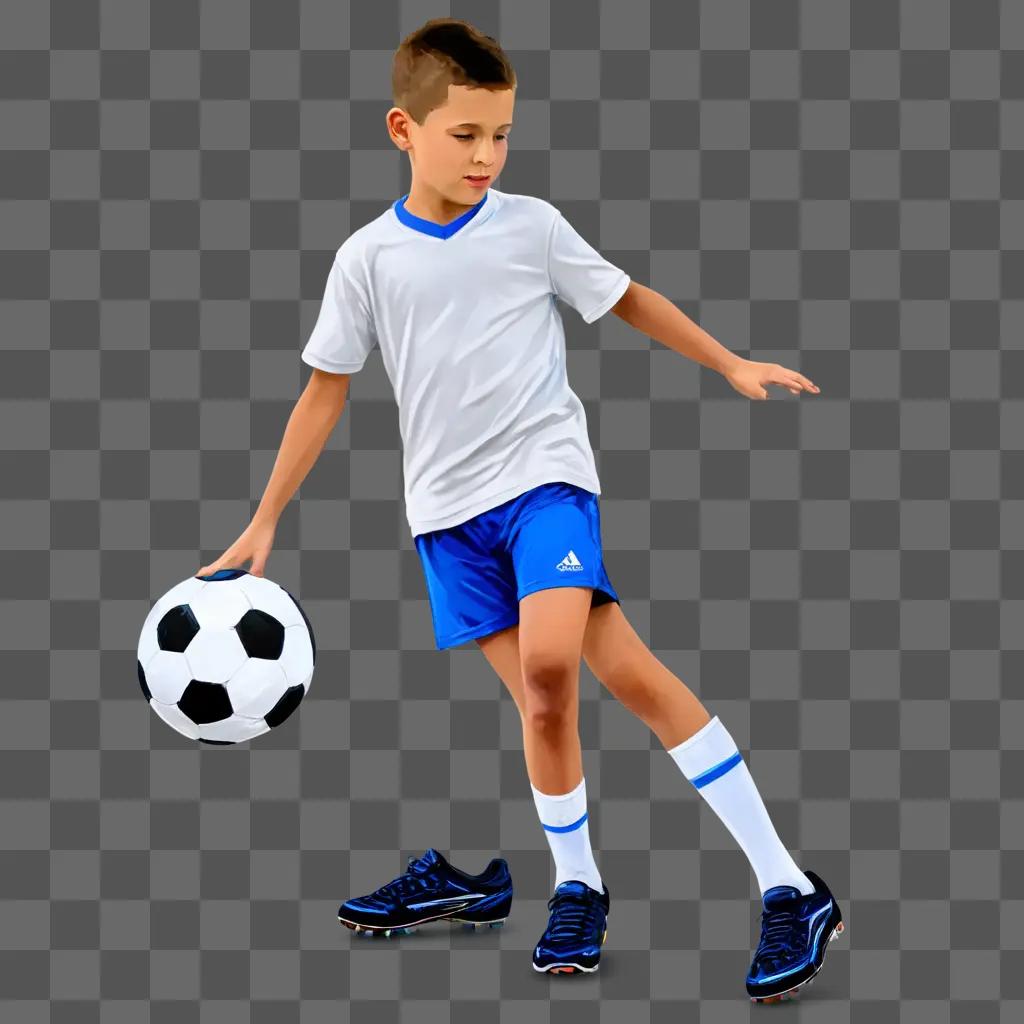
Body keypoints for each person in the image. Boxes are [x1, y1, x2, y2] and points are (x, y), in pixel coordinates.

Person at [196, 16, 844, 1001]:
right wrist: (265, 517)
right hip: (445, 521)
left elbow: (626, 296)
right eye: (465, 134)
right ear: (402, 131)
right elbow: (323, 391)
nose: (487, 155)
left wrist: (728, 363)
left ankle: (784, 885)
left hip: (544, 484)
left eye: (501, 134)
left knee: (558, 665)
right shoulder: (366, 258)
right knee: (557, 695)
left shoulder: (530, 226)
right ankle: (578, 883)